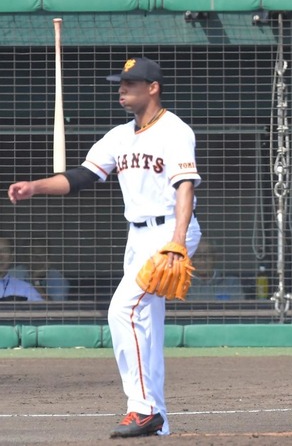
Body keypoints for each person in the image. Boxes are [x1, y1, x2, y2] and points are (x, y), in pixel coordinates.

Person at [7, 57, 202, 437]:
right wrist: (35, 187)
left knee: (122, 310)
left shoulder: (175, 130)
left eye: (130, 82)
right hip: (138, 236)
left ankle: (142, 408)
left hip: (168, 233)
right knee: (146, 324)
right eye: (121, 82)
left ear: (153, 87)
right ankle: (156, 419)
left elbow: (185, 187)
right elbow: (82, 176)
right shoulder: (120, 135)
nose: (121, 88)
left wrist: (178, 241)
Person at [0, 237, 43, 302]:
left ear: (12, 257)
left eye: (4, 251)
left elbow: (44, 310)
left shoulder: (25, 289)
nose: (0, 256)